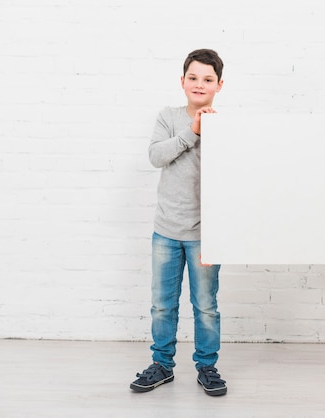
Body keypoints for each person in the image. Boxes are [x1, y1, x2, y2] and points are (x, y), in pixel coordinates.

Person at [130, 49, 227, 396]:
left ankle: (207, 366)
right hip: (166, 231)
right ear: (182, 81)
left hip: (205, 234)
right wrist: (193, 131)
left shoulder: (226, 125)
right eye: (193, 77)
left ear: (219, 85)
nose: (199, 84)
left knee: (206, 305)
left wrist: (212, 130)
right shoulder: (169, 117)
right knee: (162, 304)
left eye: (208, 79)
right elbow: (156, 156)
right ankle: (162, 364)